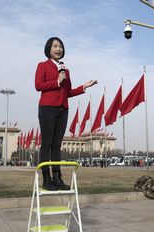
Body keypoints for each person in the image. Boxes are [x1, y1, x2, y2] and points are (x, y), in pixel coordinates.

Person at [35, 37, 97, 191]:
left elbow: (68, 92)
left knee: (56, 146)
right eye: (55, 46)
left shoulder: (66, 70)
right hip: (47, 107)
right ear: (49, 49)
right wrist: (56, 81)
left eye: (60, 46)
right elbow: (38, 85)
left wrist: (84, 86)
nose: (58, 49)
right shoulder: (43, 65)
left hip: (63, 109)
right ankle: (47, 180)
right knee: (47, 144)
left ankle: (57, 179)